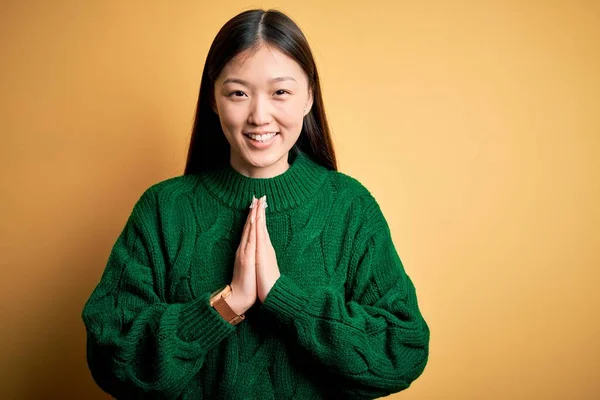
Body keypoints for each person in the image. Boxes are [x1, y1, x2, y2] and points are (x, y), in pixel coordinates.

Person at [82, 8, 429, 400]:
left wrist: (286, 300)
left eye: (281, 92)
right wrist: (226, 306)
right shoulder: (163, 209)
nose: (259, 116)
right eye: (238, 93)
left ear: (308, 98)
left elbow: (404, 350)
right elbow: (109, 355)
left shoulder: (350, 206)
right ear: (213, 99)